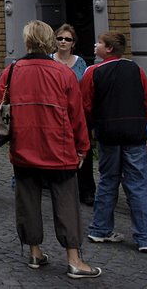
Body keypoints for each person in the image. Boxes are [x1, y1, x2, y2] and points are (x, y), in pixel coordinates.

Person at [0, 20, 101, 279]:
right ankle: (74, 260)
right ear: (50, 41)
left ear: (28, 41)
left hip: (24, 146)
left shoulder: (12, 70)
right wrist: (83, 148)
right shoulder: (63, 73)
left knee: (28, 202)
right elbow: (77, 115)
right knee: (66, 204)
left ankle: (34, 252)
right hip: (59, 148)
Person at [81, 30, 147, 253]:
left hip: (109, 133)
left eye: (100, 43)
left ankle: (99, 229)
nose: (95, 45)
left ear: (109, 49)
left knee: (107, 181)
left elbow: (85, 104)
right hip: (134, 133)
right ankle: (145, 238)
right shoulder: (136, 70)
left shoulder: (93, 72)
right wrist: (139, 123)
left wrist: (96, 125)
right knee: (137, 184)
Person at [52, 24, 96, 206]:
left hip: (76, 112)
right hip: (56, 113)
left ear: (73, 43)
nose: (63, 42)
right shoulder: (49, 61)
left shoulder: (80, 62)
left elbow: (85, 87)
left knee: (83, 150)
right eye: (60, 38)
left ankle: (86, 189)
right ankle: (62, 187)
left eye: (67, 39)